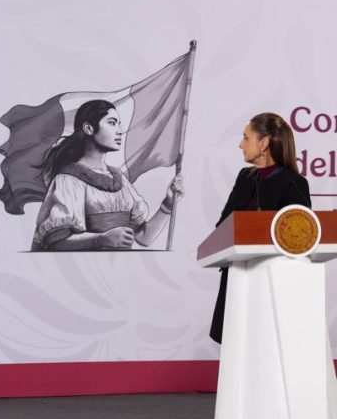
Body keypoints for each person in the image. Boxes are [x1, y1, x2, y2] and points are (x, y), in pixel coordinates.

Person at [209, 112, 311, 343]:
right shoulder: (245, 177)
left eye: (246, 138)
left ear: (264, 143)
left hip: (271, 284)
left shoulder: (293, 182)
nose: (240, 144)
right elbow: (223, 226)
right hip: (237, 277)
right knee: (237, 348)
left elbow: (298, 240)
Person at [31, 99, 184, 251]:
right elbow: (56, 243)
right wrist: (100, 240)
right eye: (112, 123)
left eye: (118, 124)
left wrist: (167, 205)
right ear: (89, 128)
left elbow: (144, 238)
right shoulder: (68, 179)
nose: (119, 130)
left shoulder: (119, 179)